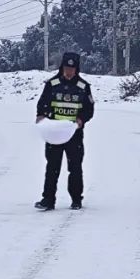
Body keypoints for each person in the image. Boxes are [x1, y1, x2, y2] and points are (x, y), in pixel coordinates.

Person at [34, 52, 95, 211]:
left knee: (75, 167)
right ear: (62, 67)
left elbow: (89, 109)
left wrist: (81, 120)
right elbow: (42, 103)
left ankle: (76, 199)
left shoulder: (83, 87)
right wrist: (40, 116)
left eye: (72, 68)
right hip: (54, 132)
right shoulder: (52, 84)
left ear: (77, 69)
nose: (69, 71)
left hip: (73, 133)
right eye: (67, 68)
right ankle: (48, 199)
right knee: (52, 166)